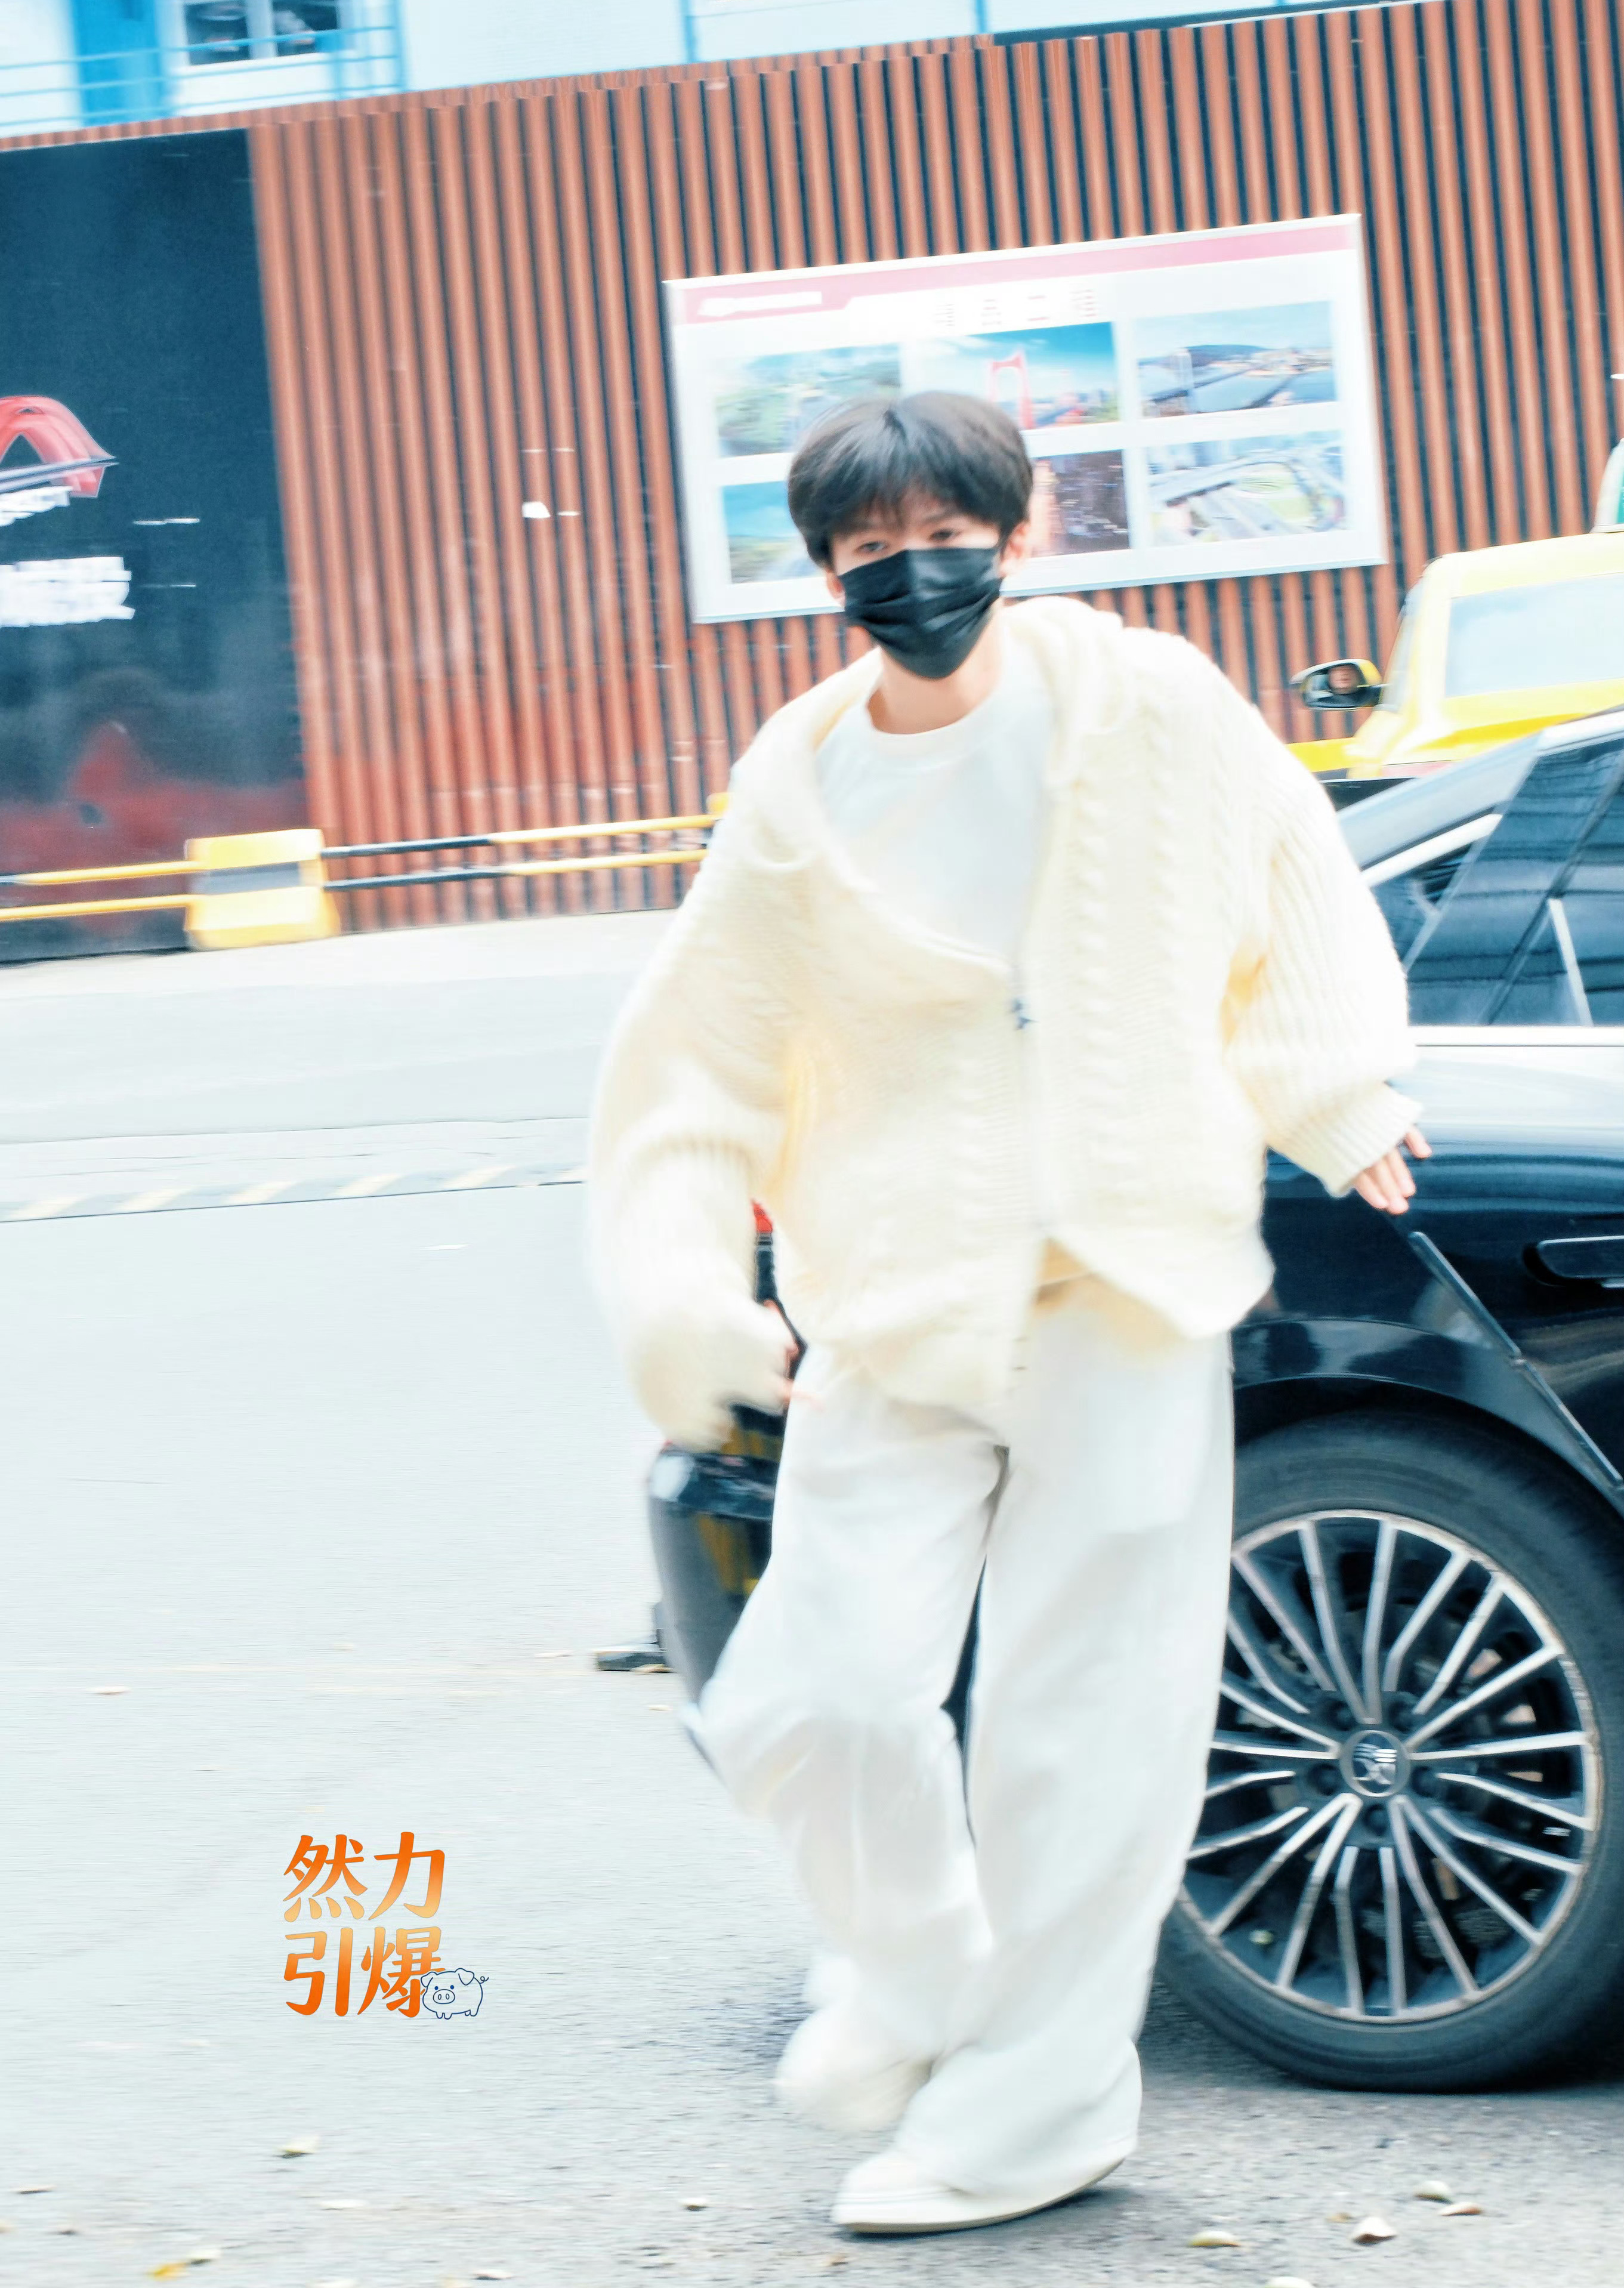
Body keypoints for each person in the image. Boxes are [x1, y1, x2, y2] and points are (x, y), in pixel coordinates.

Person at [588, 390, 1427, 2237]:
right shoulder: (797, 790)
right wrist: (681, 1288)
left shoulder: (1151, 709)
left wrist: (1332, 1089)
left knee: (1084, 1730)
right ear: (822, 574)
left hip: (1126, 1284)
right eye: (867, 553)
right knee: (808, 1697)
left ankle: (1034, 2116)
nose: (912, 576)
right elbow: (692, 1059)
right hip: (896, 1296)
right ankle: (920, 1978)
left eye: (941, 538)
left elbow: (1287, 877)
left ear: (1018, 531)